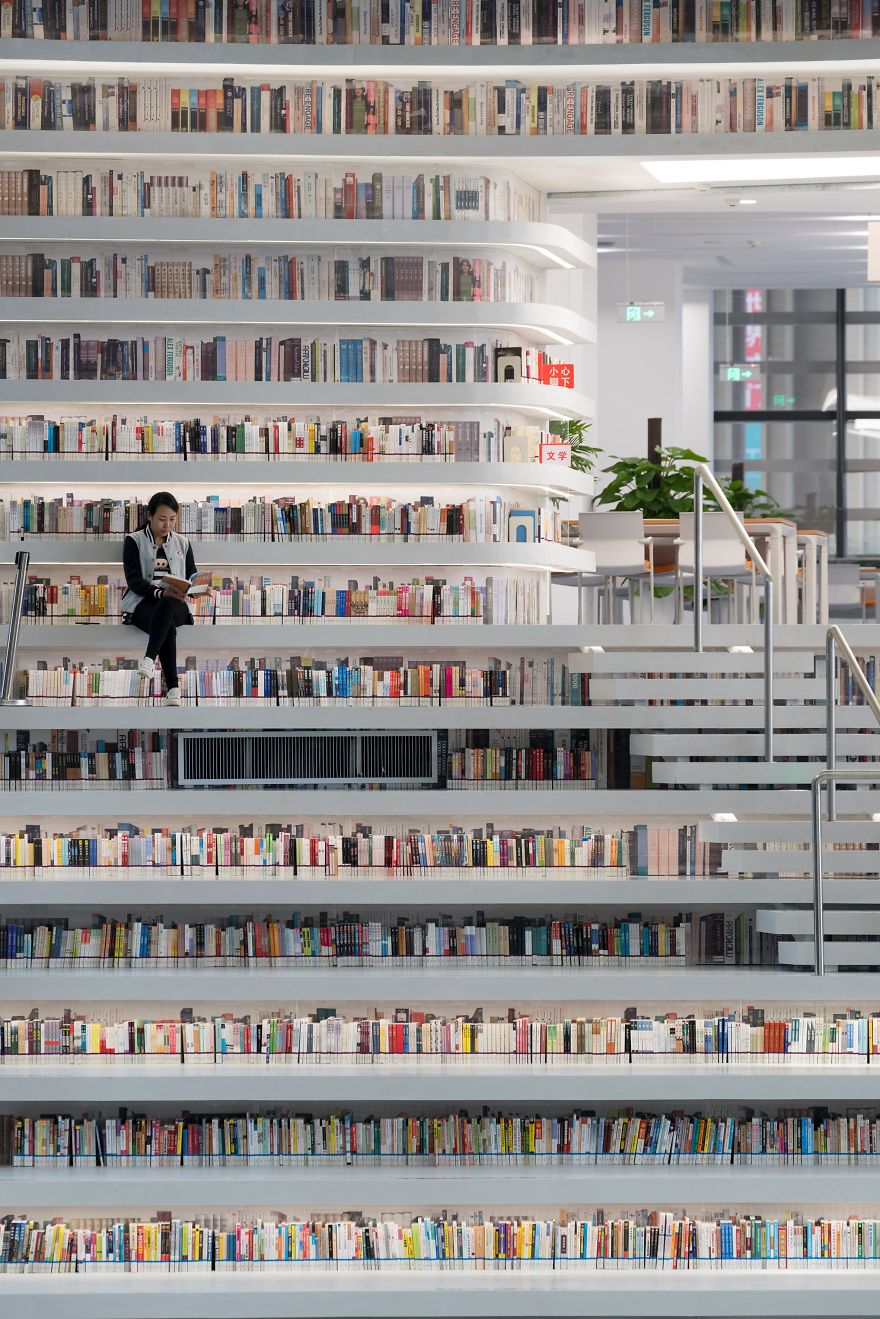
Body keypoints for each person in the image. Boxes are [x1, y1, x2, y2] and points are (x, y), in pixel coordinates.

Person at [122, 491, 201, 707]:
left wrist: (198, 587)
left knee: (167, 605)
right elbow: (134, 581)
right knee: (167, 626)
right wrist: (159, 592)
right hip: (142, 603)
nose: (167, 525)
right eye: (162, 519)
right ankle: (173, 690)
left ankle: (149, 658)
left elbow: (191, 575)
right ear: (149, 516)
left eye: (172, 520)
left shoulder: (183, 543)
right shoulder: (133, 541)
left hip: (176, 604)